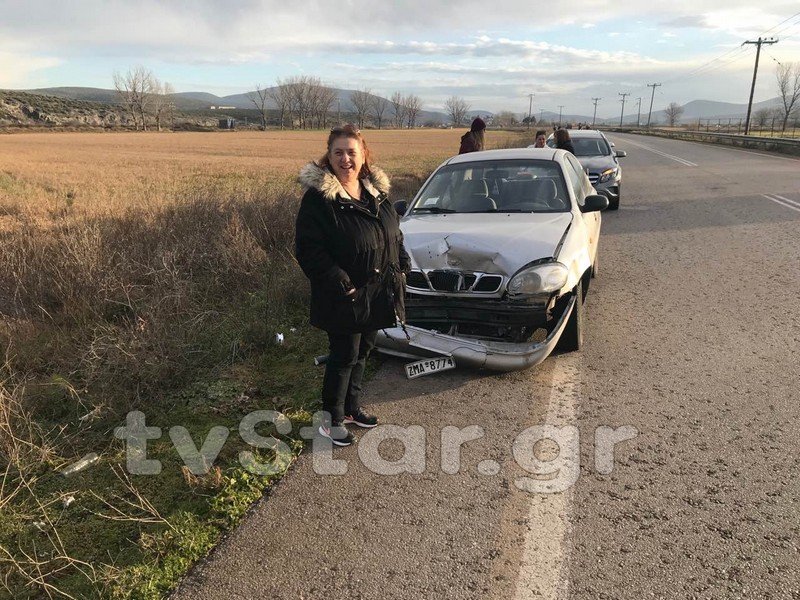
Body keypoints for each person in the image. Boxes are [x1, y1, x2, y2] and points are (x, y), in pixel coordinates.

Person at [295, 124, 410, 447]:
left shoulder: (375, 191)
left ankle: (351, 408)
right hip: (344, 295)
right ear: (329, 157)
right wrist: (340, 282)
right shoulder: (319, 200)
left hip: (378, 291)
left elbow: (394, 232)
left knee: (365, 350)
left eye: (351, 152)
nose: (345, 159)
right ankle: (330, 419)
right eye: (338, 152)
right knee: (344, 353)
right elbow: (308, 250)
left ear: (364, 155)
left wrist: (401, 263)